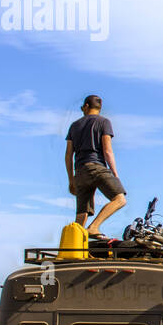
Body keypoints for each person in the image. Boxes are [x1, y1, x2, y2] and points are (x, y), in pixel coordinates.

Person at [64, 95, 127, 237]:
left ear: (86, 106)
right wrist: (115, 174)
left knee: (81, 214)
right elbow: (107, 151)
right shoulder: (104, 122)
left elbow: (68, 155)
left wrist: (71, 180)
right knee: (120, 199)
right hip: (96, 167)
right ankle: (94, 227)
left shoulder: (74, 126)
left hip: (80, 171)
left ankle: (75, 247)